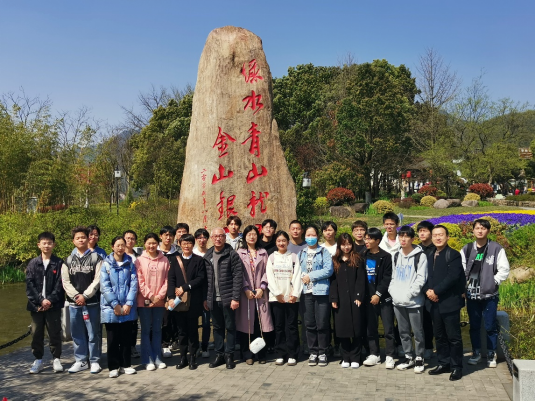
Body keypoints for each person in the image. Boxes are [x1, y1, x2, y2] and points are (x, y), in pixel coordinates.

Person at [462, 219, 510, 369]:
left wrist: (493, 282)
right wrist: (463, 288)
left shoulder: (496, 248)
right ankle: (476, 353)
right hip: (471, 295)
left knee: (490, 326)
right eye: (477, 228)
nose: (480, 231)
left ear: (488, 231)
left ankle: (491, 353)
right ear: (473, 230)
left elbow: (504, 269)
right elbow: (461, 270)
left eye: (483, 228)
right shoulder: (467, 249)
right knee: (474, 326)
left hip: (490, 295)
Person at [424, 225, 465, 382]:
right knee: (439, 335)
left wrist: (436, 291)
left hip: (449, 302)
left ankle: (456, 367)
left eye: (441, 235)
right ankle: (443, 363)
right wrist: (428, 291)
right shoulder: (429, 254)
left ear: (447, 237)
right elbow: (424, 276)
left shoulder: (453, 255)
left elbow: (453, 277)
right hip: (433, 303)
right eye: (435, 235)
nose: (438, 238)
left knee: (453, 337)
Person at [62, 226, 103, 374]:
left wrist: (85, 295)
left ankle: (95, 360)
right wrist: (76, 296)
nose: (81, 240)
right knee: (77, 333)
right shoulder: (68, 260)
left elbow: (98, 280)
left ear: (88, 239)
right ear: (73, 241)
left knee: (93, 333)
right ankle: (81, 360)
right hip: (74, 304)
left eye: (83, 237)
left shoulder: (96, 258)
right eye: (77, 238)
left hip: (92, 302)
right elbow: (65, 282)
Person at [388, 226, 428, 374]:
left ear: (412, 239)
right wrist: (393, 292)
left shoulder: (420, 256)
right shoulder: (396, 256)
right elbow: (393, 277)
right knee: (403, 331)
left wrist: (410, 294)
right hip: (397, 300)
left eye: (406, 236)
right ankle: (408, 356)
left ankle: (419, 357)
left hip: (414, 302)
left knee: (418, 332)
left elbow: (421, 278)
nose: (403, 239)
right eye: (401, 236)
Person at [204, 227, 243, 370]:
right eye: (215, 236)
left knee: (230, 327)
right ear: (211, 238)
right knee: (217, 327)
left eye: (221, 236)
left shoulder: (232, 254)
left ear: (225, 238)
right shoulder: (207, 256)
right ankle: (219, 354)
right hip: (213, 299)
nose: (218, 238)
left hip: (228, 299)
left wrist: (235, 298)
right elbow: (205, 280)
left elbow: (238, 277)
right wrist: (205, 299)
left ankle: (229, 355)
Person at [26, 232, 65, 374]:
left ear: (54, 245)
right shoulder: (33, 263)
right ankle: (38, 359)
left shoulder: (59, 263)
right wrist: (40, 301)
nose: (47, 245)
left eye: (49, 243)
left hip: (53, 305)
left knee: (54, 332)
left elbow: (60, 284)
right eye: (44, 243)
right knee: (36, 333)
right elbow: (29, 285)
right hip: (36, 306)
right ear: (39, 245)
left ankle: (56, 358)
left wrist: (49, 300)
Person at [100, 236, 138, 378]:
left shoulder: (130, 263)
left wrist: (129, 303)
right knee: (112, 339)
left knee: (126, 338)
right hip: (111, 308)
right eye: (118, 245)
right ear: (112, 247)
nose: (120, 248)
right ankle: (113, 366)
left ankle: (126, 365)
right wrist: (115, 304)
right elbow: (105, 286)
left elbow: (134, 284)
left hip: (127, 307)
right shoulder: (106, 264)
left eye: (123, 245)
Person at [236, 225, 274, 365]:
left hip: (260, 293)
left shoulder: (263, 253)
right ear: (244, 237)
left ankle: (261, 354)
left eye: (254, 234)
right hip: (245, 294)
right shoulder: (239, 253)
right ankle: (247, 354)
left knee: (260, 324)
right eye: (249, 234)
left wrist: (262, 287)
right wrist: (245, 288)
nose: (251, 237)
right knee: (246, 325)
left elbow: (268, 271)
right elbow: (238, 273)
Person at [168, 234, 207, 371]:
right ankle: (182, 357)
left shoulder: (199, 260)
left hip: (193, 301)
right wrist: (171, 297)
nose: (186, 246)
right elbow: (171, 279)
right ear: (180, 244)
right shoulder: (175, 260)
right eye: (184, 243)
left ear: (193, 244)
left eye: (189, 243)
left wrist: (185, 287)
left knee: (192, 330)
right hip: (179, 302)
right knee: (181, 331)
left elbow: (201, 278)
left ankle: (192, 358)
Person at [299, 225, 334, 367]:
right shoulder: (301, 253)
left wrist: (311, 276)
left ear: (317, 236)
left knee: (322, 323)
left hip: (321, 292)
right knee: (309, 324)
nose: (310, 237)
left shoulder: (324, 252)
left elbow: (328, 270)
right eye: (308, 235)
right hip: (306, 293)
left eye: (313, 235)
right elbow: (298, 271)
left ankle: (323, 352)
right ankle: (313, 351)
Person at [267, 231, 303, 367]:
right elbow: (270, 277)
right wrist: (277, 293)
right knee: (279, 326)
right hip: (276, 298)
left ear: (288, 242)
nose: (281, 243)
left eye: (283, 241)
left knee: (292, 326)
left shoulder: (293, 257)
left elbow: (297, 275)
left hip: (291, 297)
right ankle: (280, 353)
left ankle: (293, 354)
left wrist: (295, 294)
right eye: (279, 241)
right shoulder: (271, 257)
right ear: (275, 242)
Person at [330, 234, 366, 369]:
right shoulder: (335, 260)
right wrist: (334, 298)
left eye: (349, 244)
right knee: (342, 328)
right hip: (341, 299)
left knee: (357, 328)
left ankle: (356, 357)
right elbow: (333, 281)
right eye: (343, 244)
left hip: (355, 298)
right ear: (339, 245)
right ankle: (345, 357)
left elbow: (361, 279)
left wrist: (358, 296)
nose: (346, 247)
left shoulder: (357, 259)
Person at [362, 228, 396, 370]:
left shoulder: (386, 256)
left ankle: (390, 355)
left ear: (377, 241)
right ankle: (374, 354)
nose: (366, 241)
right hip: (368, 299)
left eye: (369, 238)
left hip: (383, 299)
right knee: (371, 328)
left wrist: (378, 294)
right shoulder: (363, 255)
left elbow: (387, 277)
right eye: (366, 238)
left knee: (388, 328)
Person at [136, 233, 170, 371]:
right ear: (145, 244)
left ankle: (157, 357)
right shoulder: (139, 260)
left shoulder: (165, 260)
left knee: (157, 329)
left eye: (154, 243)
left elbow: (167, 280)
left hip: (159, 302)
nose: (151, 246)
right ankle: (147, 359)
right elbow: (139, 281)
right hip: (144, 301)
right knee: (145, 330)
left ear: (158, 244)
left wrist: (159, 296)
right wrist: (150, 296)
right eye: (149, 243)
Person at [287, 220, 308, 354]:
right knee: (291, 320)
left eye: (298, 228)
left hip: (305, 288)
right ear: (289, 230)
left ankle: (306, 345)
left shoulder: (307, 246)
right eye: (293, 228)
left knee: (306, 318)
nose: (295, 231)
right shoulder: (285, 246)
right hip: (289, 289)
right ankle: (293, 347)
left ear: (302, 231)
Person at [417, 221, 436, 360]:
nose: (422, 233)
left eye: (425, 231)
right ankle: (425, 347)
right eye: (420, 231)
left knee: (434, 321)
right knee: (422, 322)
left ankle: (434, 348)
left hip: (434, 290)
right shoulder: (416, 249)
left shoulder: (436, 249)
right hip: (419, 290)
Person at [320, 221, 339, 357]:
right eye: (326, 230)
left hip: (338, 286)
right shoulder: (319, 248)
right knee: (324, 319)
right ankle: (326, 346)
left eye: (331, 230)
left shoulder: (340, 247)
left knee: (337, 318)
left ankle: (338, 346)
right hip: (323, 287)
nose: (328, 232)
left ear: (335, 232)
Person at [159, 226, 179, 358]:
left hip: (174, 291)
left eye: (171, 235)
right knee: (163, 320)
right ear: (160, 236)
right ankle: (164, 344)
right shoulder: (156, 252)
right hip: (158, 292)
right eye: (165, 235)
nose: (168, 237)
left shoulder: (177, 254)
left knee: (173, 318)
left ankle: (173, 341)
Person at [193, 228, 212, 358]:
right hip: (194, 293)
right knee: (193, 322)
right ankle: (195, 347)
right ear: (195, 240)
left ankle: (205, 346)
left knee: (206, 322)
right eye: (199, 238)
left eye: (204, 237)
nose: (202, 240)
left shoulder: (211, 253)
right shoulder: (193, 253)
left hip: (208, 292)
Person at [124, 230, 142, 359]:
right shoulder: (118, 255)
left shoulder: (139, 257)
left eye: (132, 238)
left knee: (134, 322)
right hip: (124, 294)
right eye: (127, 238)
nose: (130, 241)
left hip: (139, 294)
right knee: (124, 322)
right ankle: (123, 346)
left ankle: (132, 346)